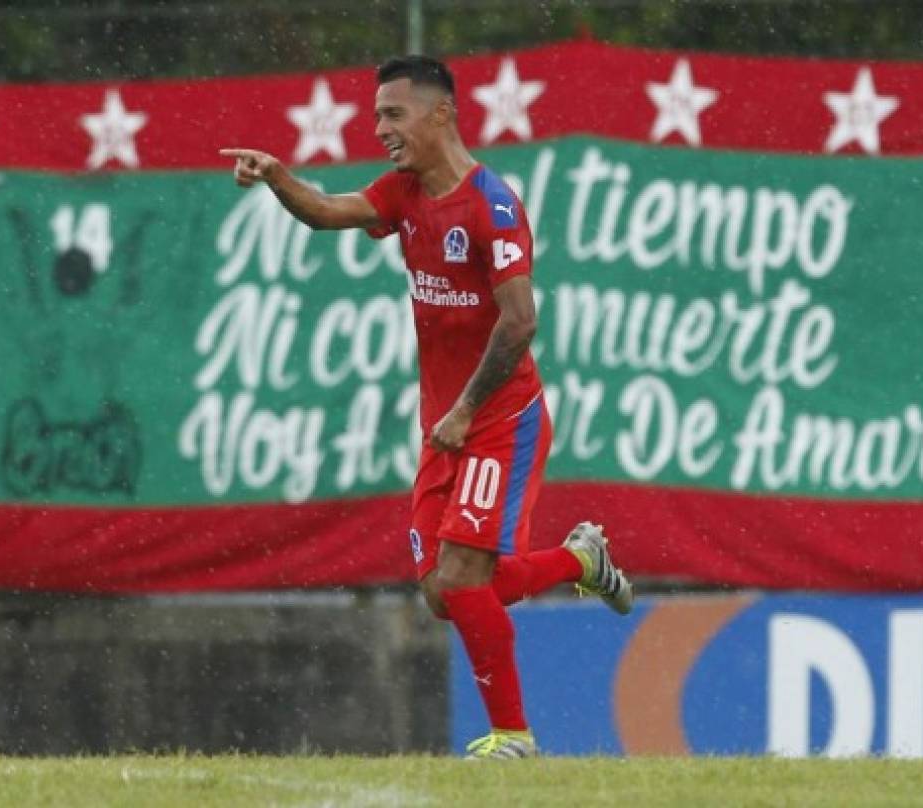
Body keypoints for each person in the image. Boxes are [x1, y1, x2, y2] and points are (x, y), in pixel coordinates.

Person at [221, 54, 632, 760]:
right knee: (444, 593)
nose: (380, 128)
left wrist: (468, 410)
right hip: (447, 429)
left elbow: (520, 321)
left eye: (393, 114)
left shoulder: (491, 205)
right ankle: (578, 562)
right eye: (377, 114)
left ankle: (514, 736)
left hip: (500, 420)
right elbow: (329, 212)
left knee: (463, 579)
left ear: (441, 114)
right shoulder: (405, 193)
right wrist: (278, 178)